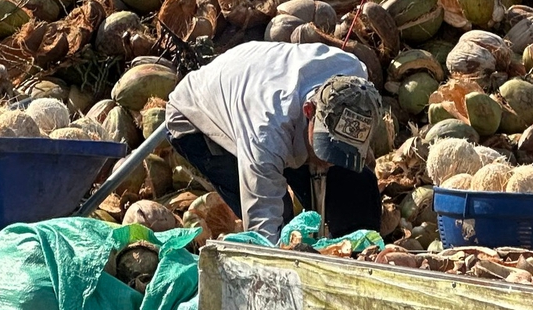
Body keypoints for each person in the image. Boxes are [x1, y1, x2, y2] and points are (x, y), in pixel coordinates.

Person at [162, 41, 385, 240]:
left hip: (258, 77)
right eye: (324, 148)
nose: (328, 162)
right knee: (281, 221)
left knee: (355, 185)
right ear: (309, 111)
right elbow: (263, 229)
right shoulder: (265, 138)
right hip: (197, 117)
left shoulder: (355, 77)